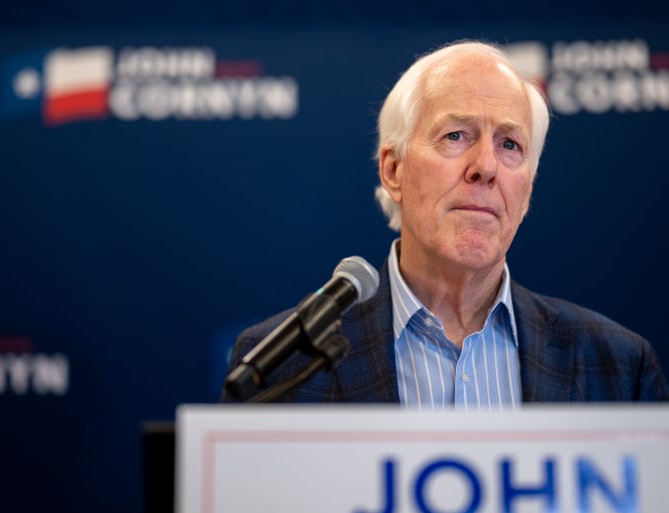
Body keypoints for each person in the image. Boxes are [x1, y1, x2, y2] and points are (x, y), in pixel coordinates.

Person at [221, 40, 668, 405]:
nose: (486, 167)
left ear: (527, 189)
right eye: (456, 136)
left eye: (510, 145)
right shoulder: (285, 367)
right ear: (393, 171)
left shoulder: (619, 367)